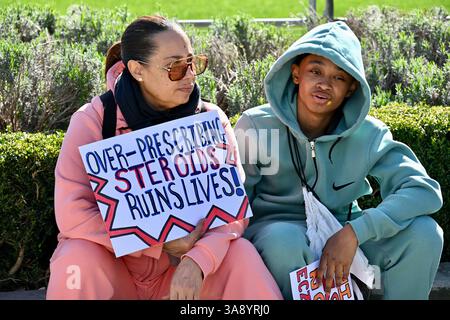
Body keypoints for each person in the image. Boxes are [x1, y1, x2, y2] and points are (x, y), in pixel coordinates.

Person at [46, 15, 282, 300]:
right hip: (115, 269)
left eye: (193, 62)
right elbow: (73, 214)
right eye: (176, 67)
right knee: (76, 258)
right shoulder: (93, 120)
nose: (190, 75)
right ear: (137, 70)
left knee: (241, 254)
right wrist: (156, 242)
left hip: (186, 274)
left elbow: (232, 212)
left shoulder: (210, 119)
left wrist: (198, 260)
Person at [234, 21, 443, 300]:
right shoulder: (257, 126)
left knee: (424, 233)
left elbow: (424, 191)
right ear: (296, 73)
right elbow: (234, 202)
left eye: (339, 77)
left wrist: (355, 232)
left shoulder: (369, 134)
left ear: (352, 88)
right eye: (315, 71)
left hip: (344, 234)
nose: (324, 84)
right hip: (278, 235)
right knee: (284, 241)